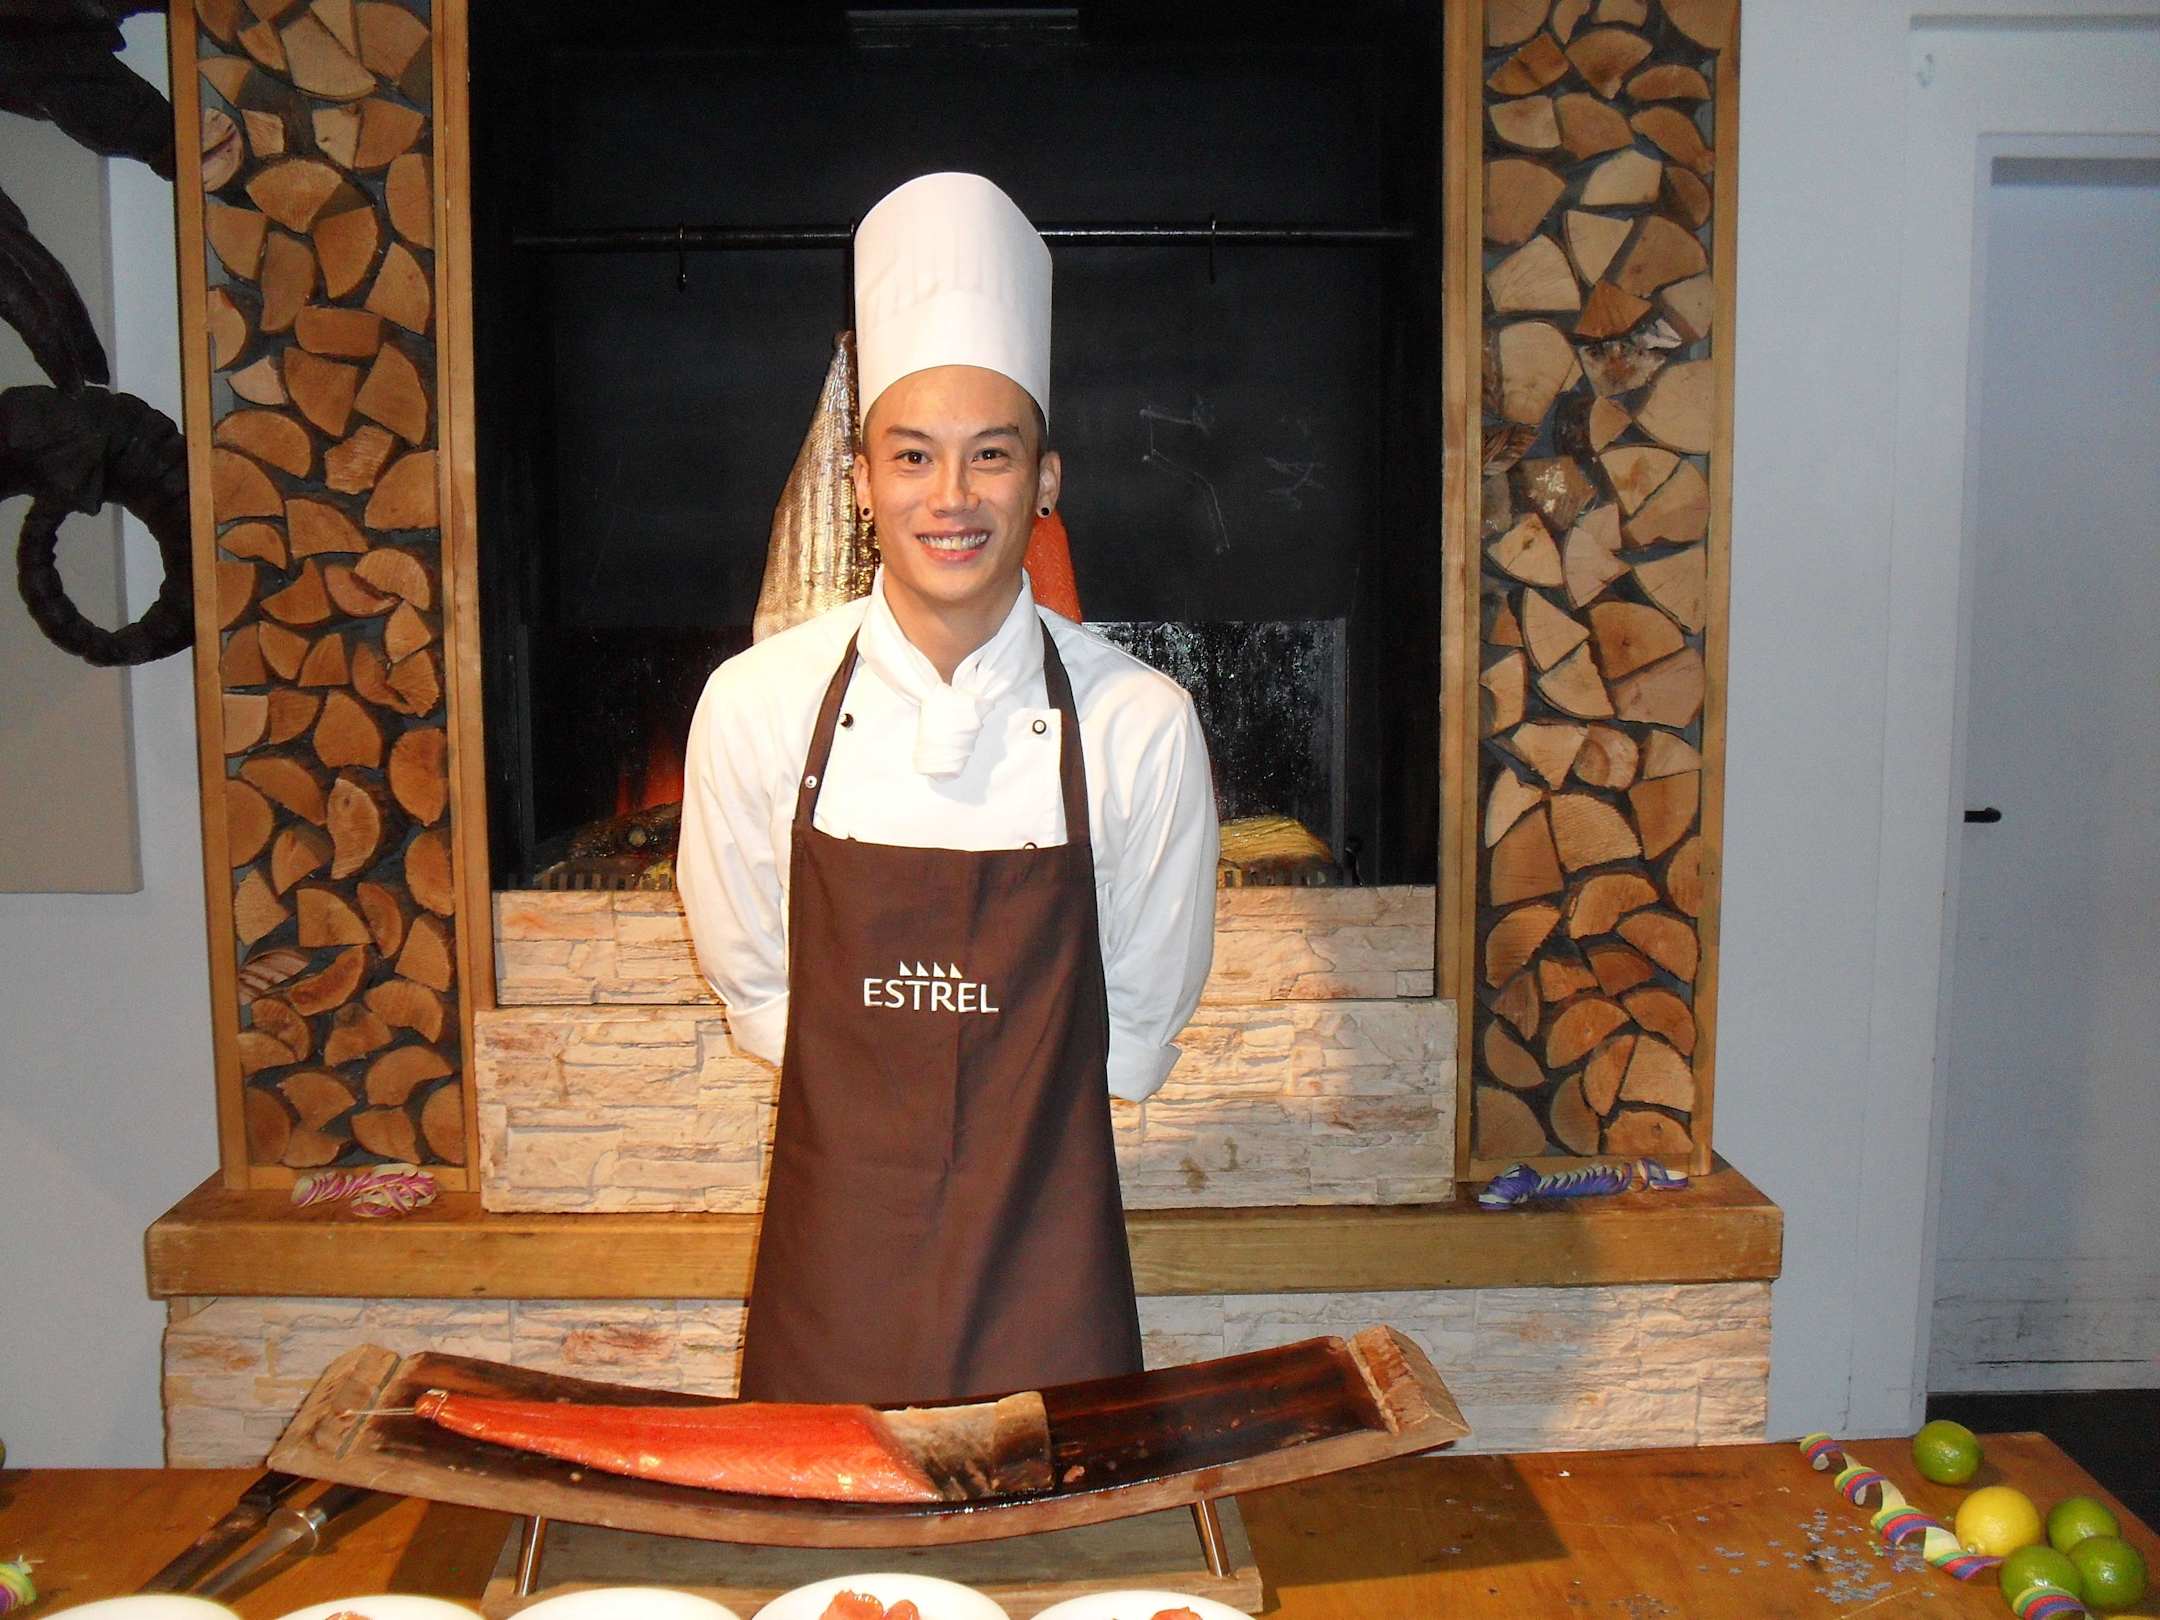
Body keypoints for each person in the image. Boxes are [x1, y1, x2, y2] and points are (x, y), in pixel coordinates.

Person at [675, 172, 1220, 1406]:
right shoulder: (754, 709)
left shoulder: (1140, 725)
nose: (953, 497)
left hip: (1048, 1287)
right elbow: (759, 989)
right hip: (834, 1280)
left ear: (1046, 480)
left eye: (992, 456)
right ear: (862, 481)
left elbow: (1136, 1025)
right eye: (913, 456)